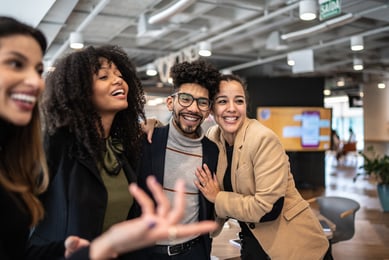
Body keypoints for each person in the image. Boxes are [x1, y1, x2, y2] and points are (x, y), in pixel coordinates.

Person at [0, 16, 217, 260]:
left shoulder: (121, 149)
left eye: (119, 75)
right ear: (79, 88)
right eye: (103, 76)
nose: (118, 80)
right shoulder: (55, 143)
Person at [194, 74, 331, 259]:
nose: (232, 108)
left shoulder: (263, 139)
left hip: (295, 245)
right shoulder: (213, 136)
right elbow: (183, 139)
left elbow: (266, 208)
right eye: (222, 101)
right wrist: (152, 125)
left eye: (239, 101)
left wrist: (218, 197)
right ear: (211, 108)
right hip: (253, 242)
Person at [134, 59, 221, 259]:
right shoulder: (147, 140)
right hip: (147, 252)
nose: (193, 108)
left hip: (194, 251)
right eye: (185, 99)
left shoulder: (212, 152)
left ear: (208, 110)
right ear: (170, 102)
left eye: (202, 102)